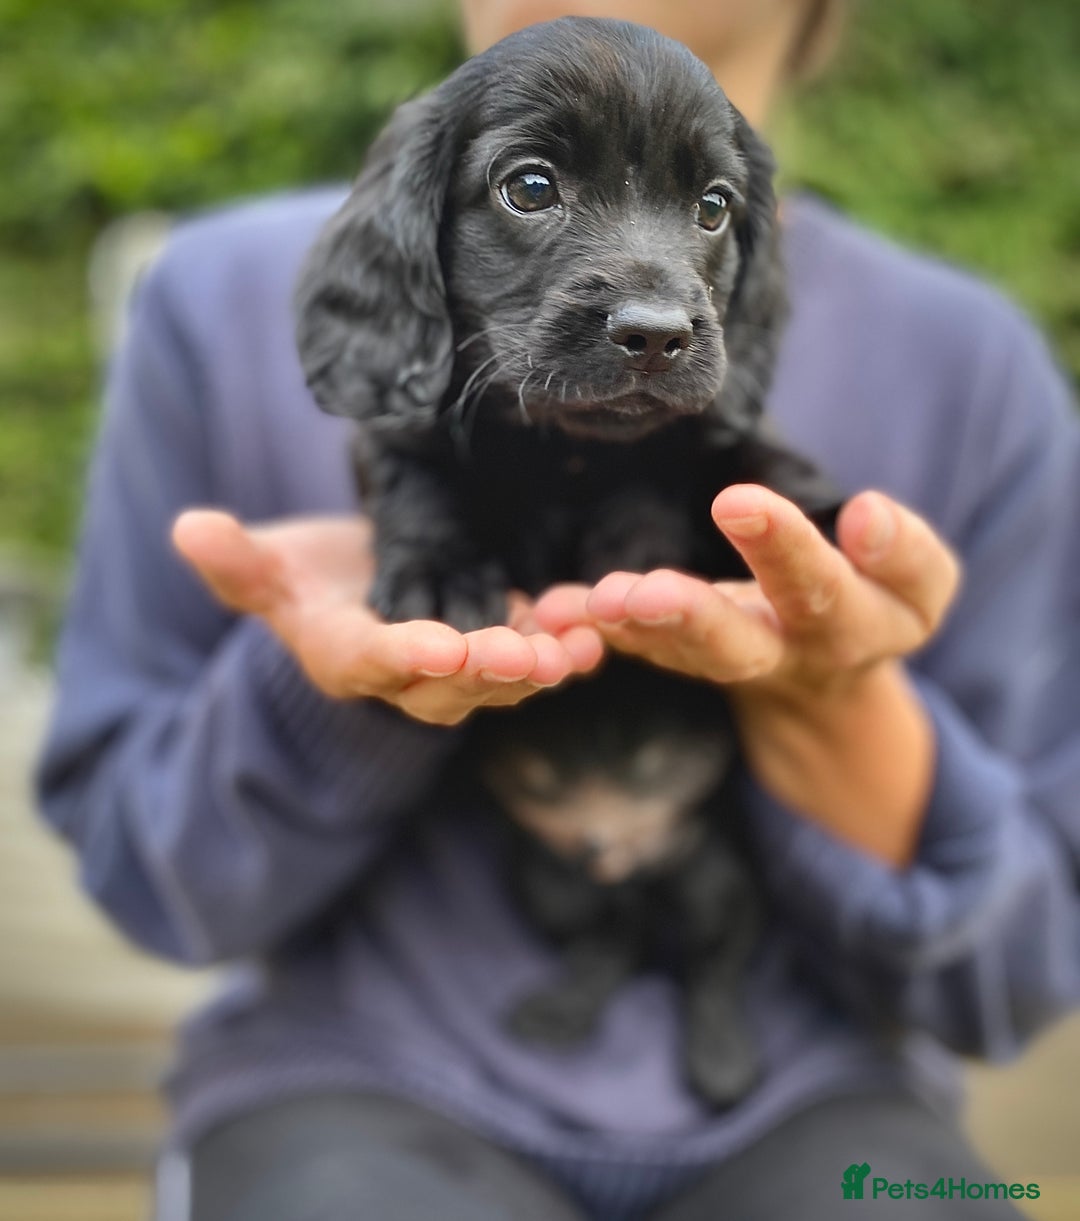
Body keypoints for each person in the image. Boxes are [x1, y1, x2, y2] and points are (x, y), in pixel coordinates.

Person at [36, 1, 1080, 1218]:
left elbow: (1020, 970)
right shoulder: (210, 302)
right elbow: (142, 876)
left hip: (827, 1105)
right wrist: (336, 687)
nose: (655, 306)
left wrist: (834, 698)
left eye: (706, 212)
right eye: (532, 185)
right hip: (348, 1085)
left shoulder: (975, 362)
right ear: (428, 221)